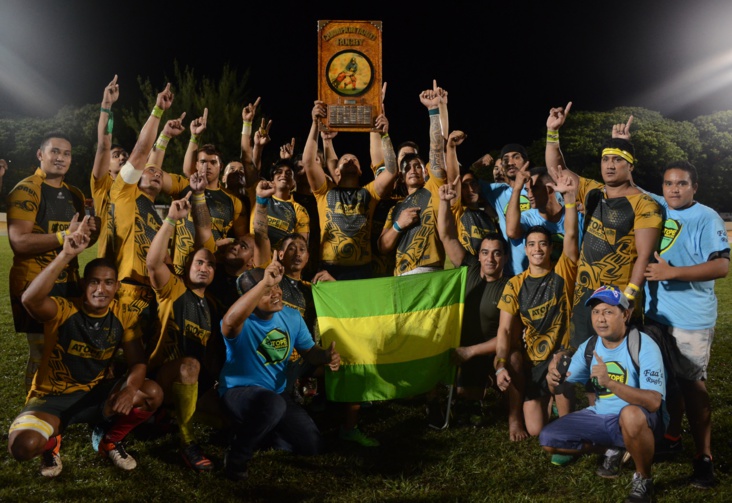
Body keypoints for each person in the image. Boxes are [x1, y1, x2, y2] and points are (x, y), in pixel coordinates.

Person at [8, 221, 162, 477]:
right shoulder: (64, 309)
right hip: (52, 398)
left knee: (151, 393)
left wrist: (129, 390)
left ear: (116, 287)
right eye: (94, 282)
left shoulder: (123, 315)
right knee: (23, 447)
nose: (101, 289)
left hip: (95, 395)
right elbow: (30, 300)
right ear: (83, 284)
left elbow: (137, 362)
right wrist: (66, 255)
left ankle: (110, 441)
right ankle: (51, 441)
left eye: (108, 282)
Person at [453, 172, 580, 440]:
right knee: (536, 430)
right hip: (534, 363)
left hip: (560, 356)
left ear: (550, 248)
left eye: (542, 244)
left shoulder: (563, 272)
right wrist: (500, 365)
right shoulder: (515, 284)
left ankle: (568, 417)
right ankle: (546, 401)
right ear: (526, 248)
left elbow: (570, 234)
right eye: (531, 244)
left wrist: (569, 200)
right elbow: (504, 331)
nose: (537, 249)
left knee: (561, 378)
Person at [302, 94, 397, 446]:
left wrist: (383, 131)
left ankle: (350, 423)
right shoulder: (323, 191)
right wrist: (315, 124)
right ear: (335, 170)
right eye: (344, 159)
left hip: (360, 277)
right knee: (326, 346)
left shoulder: (369, 194)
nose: (350, 161)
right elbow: (308, 161)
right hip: (329, 275)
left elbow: (391, 171)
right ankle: (319, 406)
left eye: (355, 158)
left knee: (357, 348)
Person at [545, 104, 662, 350]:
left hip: (617, 298)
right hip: (585, 295)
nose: (610, 165)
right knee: (584, 358)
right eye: (605, 159)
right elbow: (558, 171)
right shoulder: (593, 191)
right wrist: (552, 133)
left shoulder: (644, 204)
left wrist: (628, 297)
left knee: (616, 363)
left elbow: (644, 256)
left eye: (618, 160)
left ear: (630, 166)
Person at [643, 161, 730, 488]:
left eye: (681, 183)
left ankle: (704, 457)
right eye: (668, 183)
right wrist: (620, 145)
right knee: (668, 384)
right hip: (656, 315)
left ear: (695, 187)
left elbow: (721, 267)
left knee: (692, 386)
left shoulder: (707, 217)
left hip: (691, 319)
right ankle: (672, 437)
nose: (674, 189)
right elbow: (628, 185)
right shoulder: (659, 206)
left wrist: (672, 273)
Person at [218, 254, 341, 480]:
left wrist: (326, 355)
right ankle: (237, 456)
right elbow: (229, 321)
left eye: (276, 286)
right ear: (251, 298)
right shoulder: (240, 322)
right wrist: (264, 283)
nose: (276, 293)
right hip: (239, 392)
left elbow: (309, 352)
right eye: (267, 291)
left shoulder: (291, 316)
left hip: (276, 394)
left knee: (312, 445)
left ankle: (258, 432)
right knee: (273, 405)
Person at [540, 286, 667, 503]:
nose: (601, 319)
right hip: (600, 416)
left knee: (630, 415)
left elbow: (654, 402)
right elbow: (562, 387)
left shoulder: (643, 345)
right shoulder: (590, 346)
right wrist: (553, 380)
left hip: (640, 420)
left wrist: (610, 383)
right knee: (549, 439)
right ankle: (614, 448)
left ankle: (643, 479)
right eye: (596, 312)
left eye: (608, 312)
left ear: (625, 315)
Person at [8, 131, 99, 392]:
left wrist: (91, 231)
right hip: (34, 281)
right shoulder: (26, 189)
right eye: (55, 151)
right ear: (40, 154)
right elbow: (19, 241)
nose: (61, 158)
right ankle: (33, 406)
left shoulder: (75, 194)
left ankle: (57, 402)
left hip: (67, 281)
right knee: (40, 351)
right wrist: (64, 235)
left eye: (66, 154)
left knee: (63, 349)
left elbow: (79, 241)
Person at [145, 178, 217, 472]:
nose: (204, 268)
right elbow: (153, 264)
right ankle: (186, 441)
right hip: (161, 376)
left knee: (228, 418)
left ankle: (171, 415)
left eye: (210, 265)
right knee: (189, 365)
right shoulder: (173, 288)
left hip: (192, 381)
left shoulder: (212, 306)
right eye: (199, 262)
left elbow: (206, 233)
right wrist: (171, 221)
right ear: (187, 267)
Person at [436, 178, 516, 431]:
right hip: (459, 342)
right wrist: (444, 202)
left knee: (508, 359)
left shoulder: (510, 286)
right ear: (478, 256)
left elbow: (507, 335)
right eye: (485, 252)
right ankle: (460, 397)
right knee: (460, 394)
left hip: (487, 350)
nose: (490, 259)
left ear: (505, 258)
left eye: (497, 253)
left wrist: (471, 351)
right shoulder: (469, 267)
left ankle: (483, 392)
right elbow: (447, 235)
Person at [378, 84, 448, 276]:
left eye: (418, 166)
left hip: (431, 270)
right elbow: (383, 246)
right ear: (400, 177)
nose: (412, 170)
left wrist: (433, 110)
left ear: (426, 172)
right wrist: (399, 224)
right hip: (401, 276)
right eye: (407, 167)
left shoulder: (434, 188)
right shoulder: (395, 209)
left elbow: (436, 148)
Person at [506, 165, 583, 270]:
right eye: (527, 190)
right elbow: (511, 232)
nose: (529, 195)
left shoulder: (576, 214)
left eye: (534, 189)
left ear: (550, 188)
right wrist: (516, 189)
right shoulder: (528, 218)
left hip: (571, 277)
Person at [90, 75, 129, 261]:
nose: (122, 157)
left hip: (132, 262)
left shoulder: (135, 185)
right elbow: (103, 146)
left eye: (124, 155)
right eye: (116, 155)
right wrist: (106, 106)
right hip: (108, 260)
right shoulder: (101, 185)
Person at [444, 131, 500, 258]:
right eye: (464, 186)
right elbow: (453, 177)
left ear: (479, 186)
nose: (470, 189)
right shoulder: (458, 210)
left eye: (473, 184)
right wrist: (451, 147)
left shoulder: (489, 214)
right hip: (468, 268)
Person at [251, 158, 309, 249]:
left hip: (278, 257)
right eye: (279, 172)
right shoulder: (258, 194)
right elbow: (250, 165)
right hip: (252, 253)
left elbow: (301, 245)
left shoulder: (300, 210)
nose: (283, 175)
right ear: (272, 179)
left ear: (294, 182)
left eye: (289, 173)